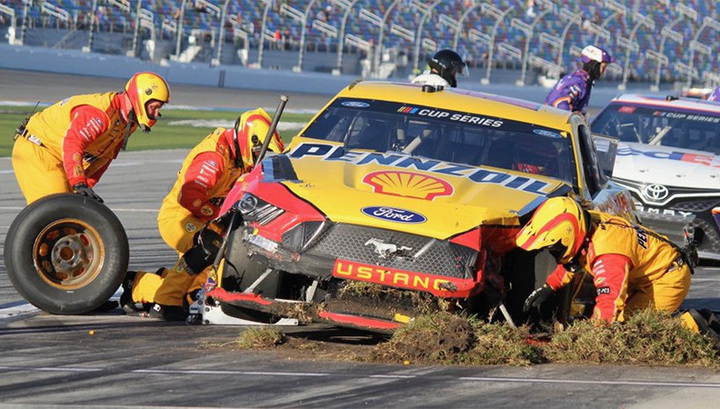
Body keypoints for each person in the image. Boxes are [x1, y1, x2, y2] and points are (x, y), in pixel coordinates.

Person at [122, 108, 285, 320]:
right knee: (209, 246)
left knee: (201, 287)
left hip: (207, 221)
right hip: (180, 216)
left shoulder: (241, 161)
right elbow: (190, 197)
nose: (257, 158)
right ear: (250, 140)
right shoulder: (215, 156)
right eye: (257, 151)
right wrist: (220, 215)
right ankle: (164, 302)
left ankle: (139, 285)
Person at [516, 197, 693, 324]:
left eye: (554, 248)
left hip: (666, 279)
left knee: (633, 327)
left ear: (568, 234)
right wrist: (549, 286)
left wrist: (592, 338)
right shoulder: (589, 223)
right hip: (648, 271)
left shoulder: (608, 253)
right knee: (623, 320)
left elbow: (610, 302)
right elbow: (575, 261)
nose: (552, 252)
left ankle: (696, 326)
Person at [12, 72, 170, 204]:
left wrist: (86, 186)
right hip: (38, 149)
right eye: (154, 107)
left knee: (76, 210)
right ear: (141, 98)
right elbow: (73, 144)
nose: (156, 114)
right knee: (57, 209)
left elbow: (104, 158)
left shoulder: (128, 122)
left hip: (58, 157)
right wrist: (79, 182)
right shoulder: (100, 113)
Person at [544, 45, 614, 115]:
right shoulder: (579, 83)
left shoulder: (579, 79)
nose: (604, 71)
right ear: (594, 65)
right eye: (603, 67)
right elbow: (560, 104)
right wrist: (573, 120)